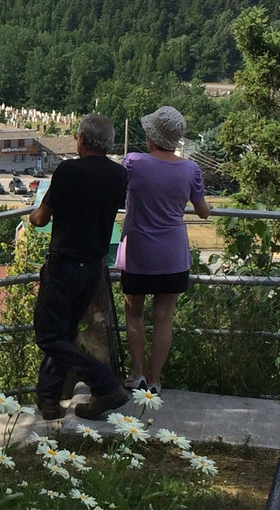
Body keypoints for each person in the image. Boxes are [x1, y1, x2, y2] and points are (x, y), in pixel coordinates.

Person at [28, 114, 129, 421]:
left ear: (82, 140)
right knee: (65, 334)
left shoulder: (68, 170)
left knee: (47, 335)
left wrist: (32, 216)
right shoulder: (118, 175)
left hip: (64, 265)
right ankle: (48, 400)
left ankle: (105, 382)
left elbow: (42, 217)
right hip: (93, 268)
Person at [120, 106, 211, 395]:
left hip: (139, 252)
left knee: (134, 314)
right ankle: (155, 379)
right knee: (164, 319)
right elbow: (204, 211)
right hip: (173, 256)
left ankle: (137, 374)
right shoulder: (190, 169)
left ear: (152, 136)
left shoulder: (134, 162)